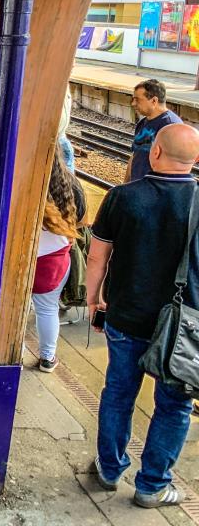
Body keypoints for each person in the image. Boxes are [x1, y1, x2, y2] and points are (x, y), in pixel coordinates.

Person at [86, 123, 199, 508]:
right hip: (183, 328)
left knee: (118, 393)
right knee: (175, 404)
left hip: (126, 317)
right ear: (195, 160)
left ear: (154, 153)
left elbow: (97, 253)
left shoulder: (123, 197)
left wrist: (93, 297)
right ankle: (152, 485)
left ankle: (109, 468)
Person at [31, 150, 85, 373]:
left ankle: (7, 353)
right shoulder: (69, 184)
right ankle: (47, 358)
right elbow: (81, 220)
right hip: (54, 261)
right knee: (47, 309)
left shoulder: (24, 181)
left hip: (17, 259)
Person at [126, 79, 182, 182]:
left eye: (137, 99)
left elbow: (175, 167)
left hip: (156, 192)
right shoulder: (142, 123)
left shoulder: (171, 126)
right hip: (138, 187)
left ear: (154, 101)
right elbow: (135, 155)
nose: (133, 104)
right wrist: (125, 185)